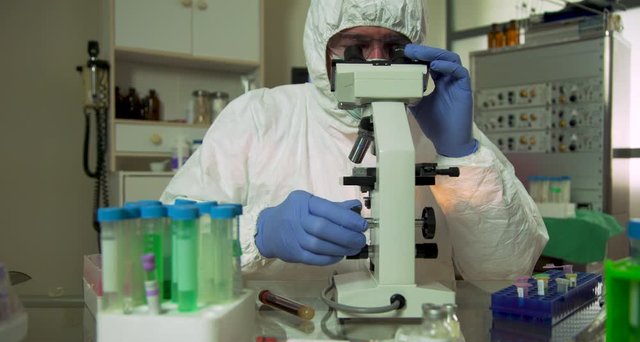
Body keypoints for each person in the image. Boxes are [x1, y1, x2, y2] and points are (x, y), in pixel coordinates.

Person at [161, 0, 548, 281]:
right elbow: (167, 243)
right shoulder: (259, 117)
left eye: (394, 48)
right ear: (321, 48)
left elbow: (505, 269)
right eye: (356, 47)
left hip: (416, 340)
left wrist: (461, 155)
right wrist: (256, 233)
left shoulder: (441, 126)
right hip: (284, 330)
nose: (376, 62)